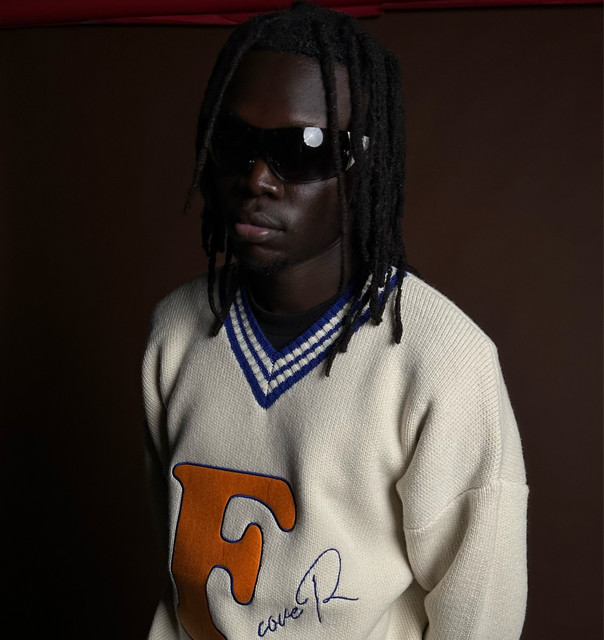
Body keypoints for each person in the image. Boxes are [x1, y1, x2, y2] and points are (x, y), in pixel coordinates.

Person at [142, 2, 528, 639]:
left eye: (303, 149)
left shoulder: (443, 360)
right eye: (236, 143)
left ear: (362, 166)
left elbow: (478, 614)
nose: (258, 179)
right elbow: (178, 558)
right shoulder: (175, 332)